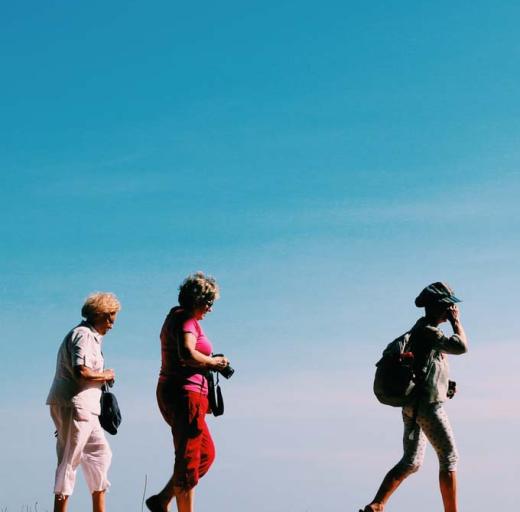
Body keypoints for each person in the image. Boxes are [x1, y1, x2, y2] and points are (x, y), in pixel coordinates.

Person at [360, 282, 468, 512]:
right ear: (439, 306)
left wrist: (445, 384)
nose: (451, 310)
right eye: (448, 306)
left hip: (414, 406)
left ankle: (377, 505)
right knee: (449, 458)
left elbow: (426, 366)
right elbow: (460, 347)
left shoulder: (421, 331)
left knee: (412, 461)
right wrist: (456, 323)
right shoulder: (428, 330)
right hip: (428, 406)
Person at [146, 272, 230, 512]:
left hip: (182, 393)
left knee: (203, 455)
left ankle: (162, 500)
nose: (210, 309)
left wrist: (209, 362)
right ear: (197, 300)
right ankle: (172, 505)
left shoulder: (175, 317)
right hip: (186, 394)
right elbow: (186, 353)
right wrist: (213, 363)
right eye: (209, 303)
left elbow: (186, 355)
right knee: (188, 460)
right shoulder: (186, 321)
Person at [46, 292, 121, 512]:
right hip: (76, 405)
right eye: (109, 318)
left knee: (100, 453)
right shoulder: (84, 335)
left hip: (85, 406)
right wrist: (106, 375)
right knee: (70, 459)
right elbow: (82, 372)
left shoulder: (87, 336)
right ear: (99, 314)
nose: (111, 324)